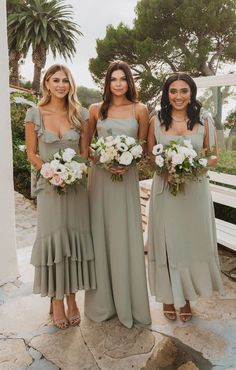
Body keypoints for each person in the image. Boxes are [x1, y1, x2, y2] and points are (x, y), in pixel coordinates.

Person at [147, 72, 224, 322]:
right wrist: (164, 170)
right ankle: (169, 298)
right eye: (173, 91)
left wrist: (192, 167)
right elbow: (150, 156)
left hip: (194, 192)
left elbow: (213, 156)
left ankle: (186, 297)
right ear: (166, 94)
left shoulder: (204, 120)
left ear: (191, 93)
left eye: (184, 91)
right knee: (168, 243)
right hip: (165, 190)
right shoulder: (156, 120)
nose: (178, 96)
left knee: (189, 244)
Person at [25, 64, 96, 329]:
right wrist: (50, 170)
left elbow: (85, 152)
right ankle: (56, 300)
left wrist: (75, 170)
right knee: (53, 240)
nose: (60, 85)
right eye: (55, 80)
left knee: (73, 239)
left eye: (65, 80)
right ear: (46, 83)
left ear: (71, 84)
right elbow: (31, 153)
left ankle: (72, 298)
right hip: (49, 188)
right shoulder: (35, 113)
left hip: (77, 188)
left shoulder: (81, 114)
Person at [84, 60, 151, 328]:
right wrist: (104, 159)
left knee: (125, 236)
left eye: (123, 79)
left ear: (129, 82)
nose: (119, 83)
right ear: (107, 83)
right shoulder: (95, 110)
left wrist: (127, 161)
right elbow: (87, 147)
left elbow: (144, 149)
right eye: (114, 79)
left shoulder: (140, 110)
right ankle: (102, 303)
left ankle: (129, 303)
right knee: (101, 235)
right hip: (100, 180)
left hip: (126, 181)